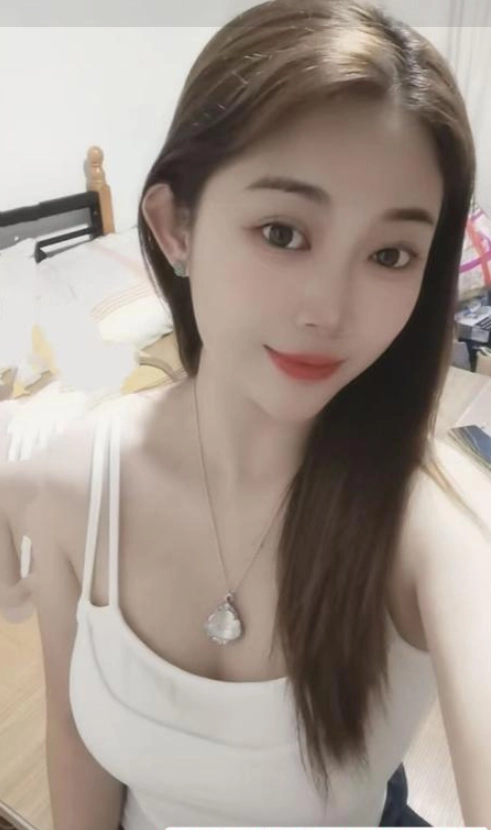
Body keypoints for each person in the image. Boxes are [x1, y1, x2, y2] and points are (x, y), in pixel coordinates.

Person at [6, 0, 490, 828]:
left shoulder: (434, 525)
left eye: (389, 254)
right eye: (282, 232)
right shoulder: (73, 487)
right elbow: (75, 743)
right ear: (175, 229)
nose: (328, 311)